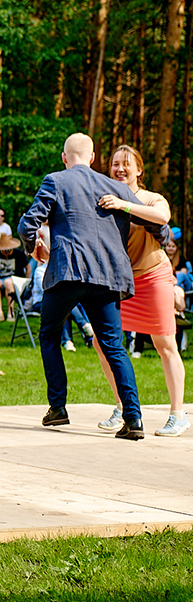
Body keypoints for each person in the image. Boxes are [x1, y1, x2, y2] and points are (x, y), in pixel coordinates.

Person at [17, 132, 168, 440]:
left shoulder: (56, 180)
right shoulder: (117, 188)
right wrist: (166, 240)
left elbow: (26, 224)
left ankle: (58, 408)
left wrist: (32, 246)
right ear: (93, 157)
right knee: (115, 347)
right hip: (109, 276)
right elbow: (154, 223)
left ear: (64, 157)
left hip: (68, 271)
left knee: (49, 335)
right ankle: (134, 419)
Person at [94, 145, 187, 437]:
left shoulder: (149, 197)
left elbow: (162, 218)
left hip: (153, 276)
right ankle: (122, 406)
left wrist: (124, 205)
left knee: (165, 344)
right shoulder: (104, 197)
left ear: (139, 170)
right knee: (102, 343)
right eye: (115, 164)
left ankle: (178, 414)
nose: (120, 169)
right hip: (121, 282)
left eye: (126, 164)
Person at [0, 236, 29, 322]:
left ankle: (11, 312)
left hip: (15, 279)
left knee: (8, 282)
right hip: (1, 279)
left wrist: (25, 281)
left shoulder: (19, 253)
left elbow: (28, 268)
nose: (5, 253)